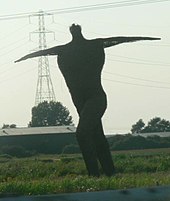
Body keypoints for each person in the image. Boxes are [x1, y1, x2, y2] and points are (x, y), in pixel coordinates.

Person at [15, 24, 160, 177]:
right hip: (81, 102)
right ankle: (110, 174)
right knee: (98, 137)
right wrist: (23, 58)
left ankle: (94, 176)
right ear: (73, 32)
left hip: (96, 99)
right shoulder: (66, 49)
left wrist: (145, 38)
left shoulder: (92, 45)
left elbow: (118, 40)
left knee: (82, 134)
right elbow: (43, 52)